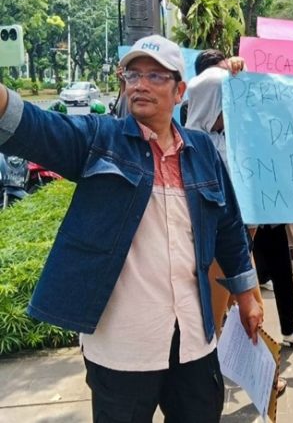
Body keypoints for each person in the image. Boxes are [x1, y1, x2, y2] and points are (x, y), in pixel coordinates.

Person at [0, 34, 263, 422]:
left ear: (180, 91)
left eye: (156, 76)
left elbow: (229, 229)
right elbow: (37, 128)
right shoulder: (99, 140)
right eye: (133, 74)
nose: (140, 84)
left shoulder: (202, 150)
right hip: (121, 346)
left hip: (193, 337)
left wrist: (247, 296)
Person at [185, 49, 293, 352]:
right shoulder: (195, 147)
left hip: (241, 243)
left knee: (248, 309)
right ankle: (223, 367)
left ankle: (258, 368)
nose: (231, 110)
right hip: (217, 249)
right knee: (220, 315)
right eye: (224, 103)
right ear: (210, 103)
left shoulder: (231, 137)